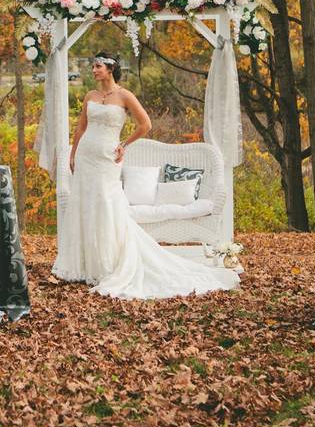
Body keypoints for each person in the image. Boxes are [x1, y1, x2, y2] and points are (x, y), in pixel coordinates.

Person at [52, 51, 240, 299]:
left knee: (106, 206)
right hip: (86, 156)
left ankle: (107, 264)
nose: (94, 70)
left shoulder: (124, 95)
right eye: (93, 66)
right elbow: (80, 127)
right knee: (85, 205)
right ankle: (85, 264)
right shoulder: (90, 96)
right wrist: (73, 153)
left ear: (110, 69)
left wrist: (124, 144)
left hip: (107, 161)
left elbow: (145, 124)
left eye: (97, 66)